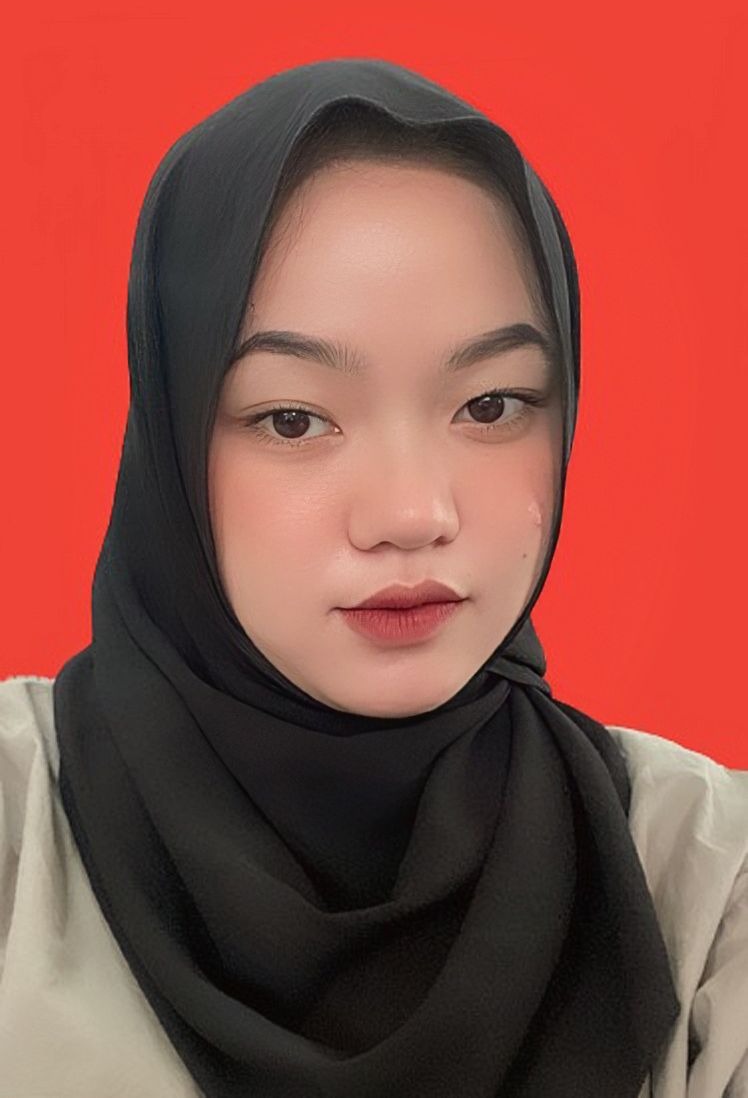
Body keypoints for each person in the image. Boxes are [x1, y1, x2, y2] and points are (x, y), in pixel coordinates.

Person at [0, 57, 746, 1098]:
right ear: (171, 440)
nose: (411, 514)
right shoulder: (18, 829)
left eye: (490, 406)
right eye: (292, 418)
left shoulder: (706, 879)